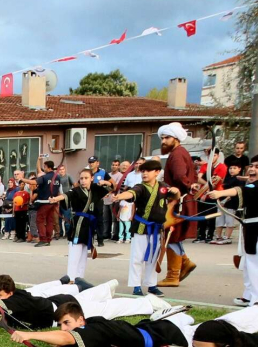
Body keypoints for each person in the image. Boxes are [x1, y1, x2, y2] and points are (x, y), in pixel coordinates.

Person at [11, 296, 258, 347]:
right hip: (154, 329)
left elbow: (70, 338)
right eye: (62, 325)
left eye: (67, 324)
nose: (64, 329)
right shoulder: (93, 327)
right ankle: (169, 314)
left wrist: (27, 334)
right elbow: (69, 339)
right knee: (195, 326)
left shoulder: (94, 328)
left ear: (81, 321)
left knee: (213, 330)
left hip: (166, 335)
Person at [209, 153, 258, 307]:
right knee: (250, 266)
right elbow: (245, 190)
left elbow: (242, 190)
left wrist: (221, 192)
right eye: (252, 166)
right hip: (254, 228)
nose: (252, 170)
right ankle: (251, 296)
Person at [106, 158, 171, 297]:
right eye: (143, 171)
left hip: (157, 229)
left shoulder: (163, 186)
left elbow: (173, 194)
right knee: (137, 258)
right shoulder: (140, 187)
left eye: (148, 170)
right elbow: (131, 193)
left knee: (154, 258)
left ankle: (151, 285)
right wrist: (119, 197)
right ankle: (136, 285)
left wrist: (177, 191)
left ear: (157, 172)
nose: (144, 173)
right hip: (141, 228)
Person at [156, 123, 198, 286]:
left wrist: (187, 185)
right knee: (174, 236)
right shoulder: (179, 153)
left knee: (171, 235)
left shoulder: (177, 154)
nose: (163, 141)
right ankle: (185, 262)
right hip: (179, 200)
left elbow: (180, 176)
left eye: (167, 138)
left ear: (176, 138)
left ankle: (173, 275)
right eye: (162, 138)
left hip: (178, 202)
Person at [62, 169, 99, 290]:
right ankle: (71, 279)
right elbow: (67, 195)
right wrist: (57, 199)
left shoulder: (95, 190)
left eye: (86, 178)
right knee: (75, 254)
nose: (83, 181)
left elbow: (111, 187)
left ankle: (79, 279)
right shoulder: (76, 191)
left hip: (88, 225)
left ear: (91, 178)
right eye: (81, 178)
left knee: (83, 254)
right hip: (78, 224)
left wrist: (108, 183)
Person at [33, 160, 62, 246]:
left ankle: (43, 239)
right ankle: (48, 239)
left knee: (40, 220)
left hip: (44, 202)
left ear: (48, 167)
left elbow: (33, 182)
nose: (43, 169)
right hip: (53, 202)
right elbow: (59, 191)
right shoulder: (57, 177)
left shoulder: (44, 178)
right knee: (50, 220)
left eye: (44, 167)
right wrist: (38, 159)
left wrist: (22, 179)